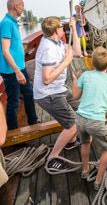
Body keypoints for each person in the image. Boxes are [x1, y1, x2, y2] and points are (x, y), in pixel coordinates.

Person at [33, 16, 82, 166]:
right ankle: (52, 157)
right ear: (56, 30)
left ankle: (71, 140)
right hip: (49, 94)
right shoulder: (48, 48)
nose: (63, 28)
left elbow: (77, 52)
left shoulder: (57, 42)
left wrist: (74, 29)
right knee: (73, 124)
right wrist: (66, 62)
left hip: (59, 89)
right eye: (62, 27)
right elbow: (46, 79)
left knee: (80, 108)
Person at [72, 47, 107, 190]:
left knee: (85, 142)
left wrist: (75, 81)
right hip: (96, 122)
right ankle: (98, 181)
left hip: (80, 119)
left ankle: (85, 171)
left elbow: (75, 96)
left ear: (92, 63)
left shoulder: (85, 75)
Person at [0, 0, 38, 130]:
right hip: (11, 71)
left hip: (19, 68)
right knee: (14, 102)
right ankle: (14, 132)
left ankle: (34, 123)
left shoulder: (13, 22)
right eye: (22, 6)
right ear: (15, 6)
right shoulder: (6, 23)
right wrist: (16, 71)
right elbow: (5, 50)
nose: (23, 8)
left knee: (28, 94)